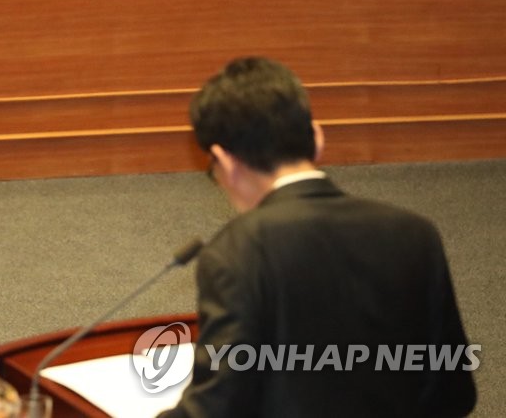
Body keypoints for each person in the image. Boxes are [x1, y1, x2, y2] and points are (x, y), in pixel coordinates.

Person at [160, 57, 476, 417]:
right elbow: (454, 394)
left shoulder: (235, 252)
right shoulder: (416, 234)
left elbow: (217, 407)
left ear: (224, 160)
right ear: (318, 138)